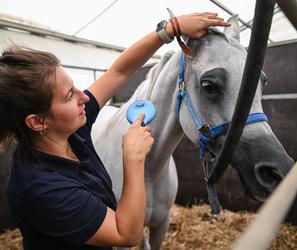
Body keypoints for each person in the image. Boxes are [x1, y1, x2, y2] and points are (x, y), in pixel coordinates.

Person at [0, 11, 230, 250]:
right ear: (37, 122)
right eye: (69, 95)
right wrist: (133, 159)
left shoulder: (68, 131)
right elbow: (126, 235)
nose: (83, 97)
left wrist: (171, 28)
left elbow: (117, 72)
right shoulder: (43, 190)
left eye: (75, 87)